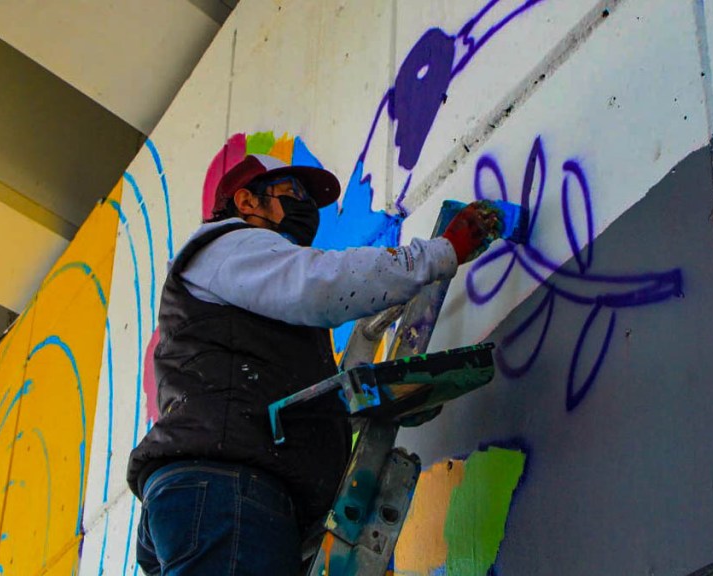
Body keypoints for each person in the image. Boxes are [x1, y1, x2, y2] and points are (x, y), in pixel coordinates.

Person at [127, 153, 501, 575]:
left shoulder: (245, 294)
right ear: (247, 202)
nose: (306, 206)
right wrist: (437, 254)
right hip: (227, 490)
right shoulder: (230, 245)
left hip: (212, 494)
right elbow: (323, 284)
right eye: (292, 192)